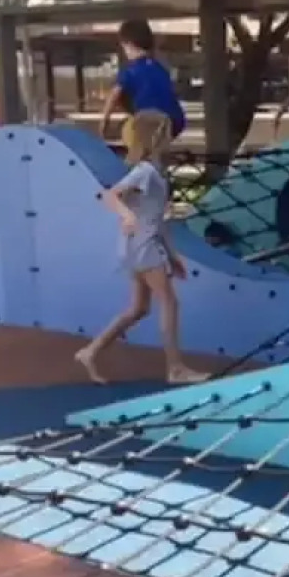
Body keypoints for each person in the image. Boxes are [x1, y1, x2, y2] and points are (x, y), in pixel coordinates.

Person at [74, 109, 208, 387]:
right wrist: (127, 215)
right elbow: (110, 195)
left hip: (141, 244)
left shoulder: (152, 172)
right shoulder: (145, 171)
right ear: (156, 138)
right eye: (167, 134)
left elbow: (158, 218)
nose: (171, 139)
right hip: (143, 245)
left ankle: (91, 351)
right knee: (168, 302)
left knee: (138, 308)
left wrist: (172, 255)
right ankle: (175, 368)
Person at [99, 19, 187, 142]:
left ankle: (141, 150)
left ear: (129, 45)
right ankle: (155, 148)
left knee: (129, 131)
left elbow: (114, 96)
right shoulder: (160, 68)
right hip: (176, 120)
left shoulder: (130, 71)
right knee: (156, 140)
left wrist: (104, 123)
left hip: (149, 120)